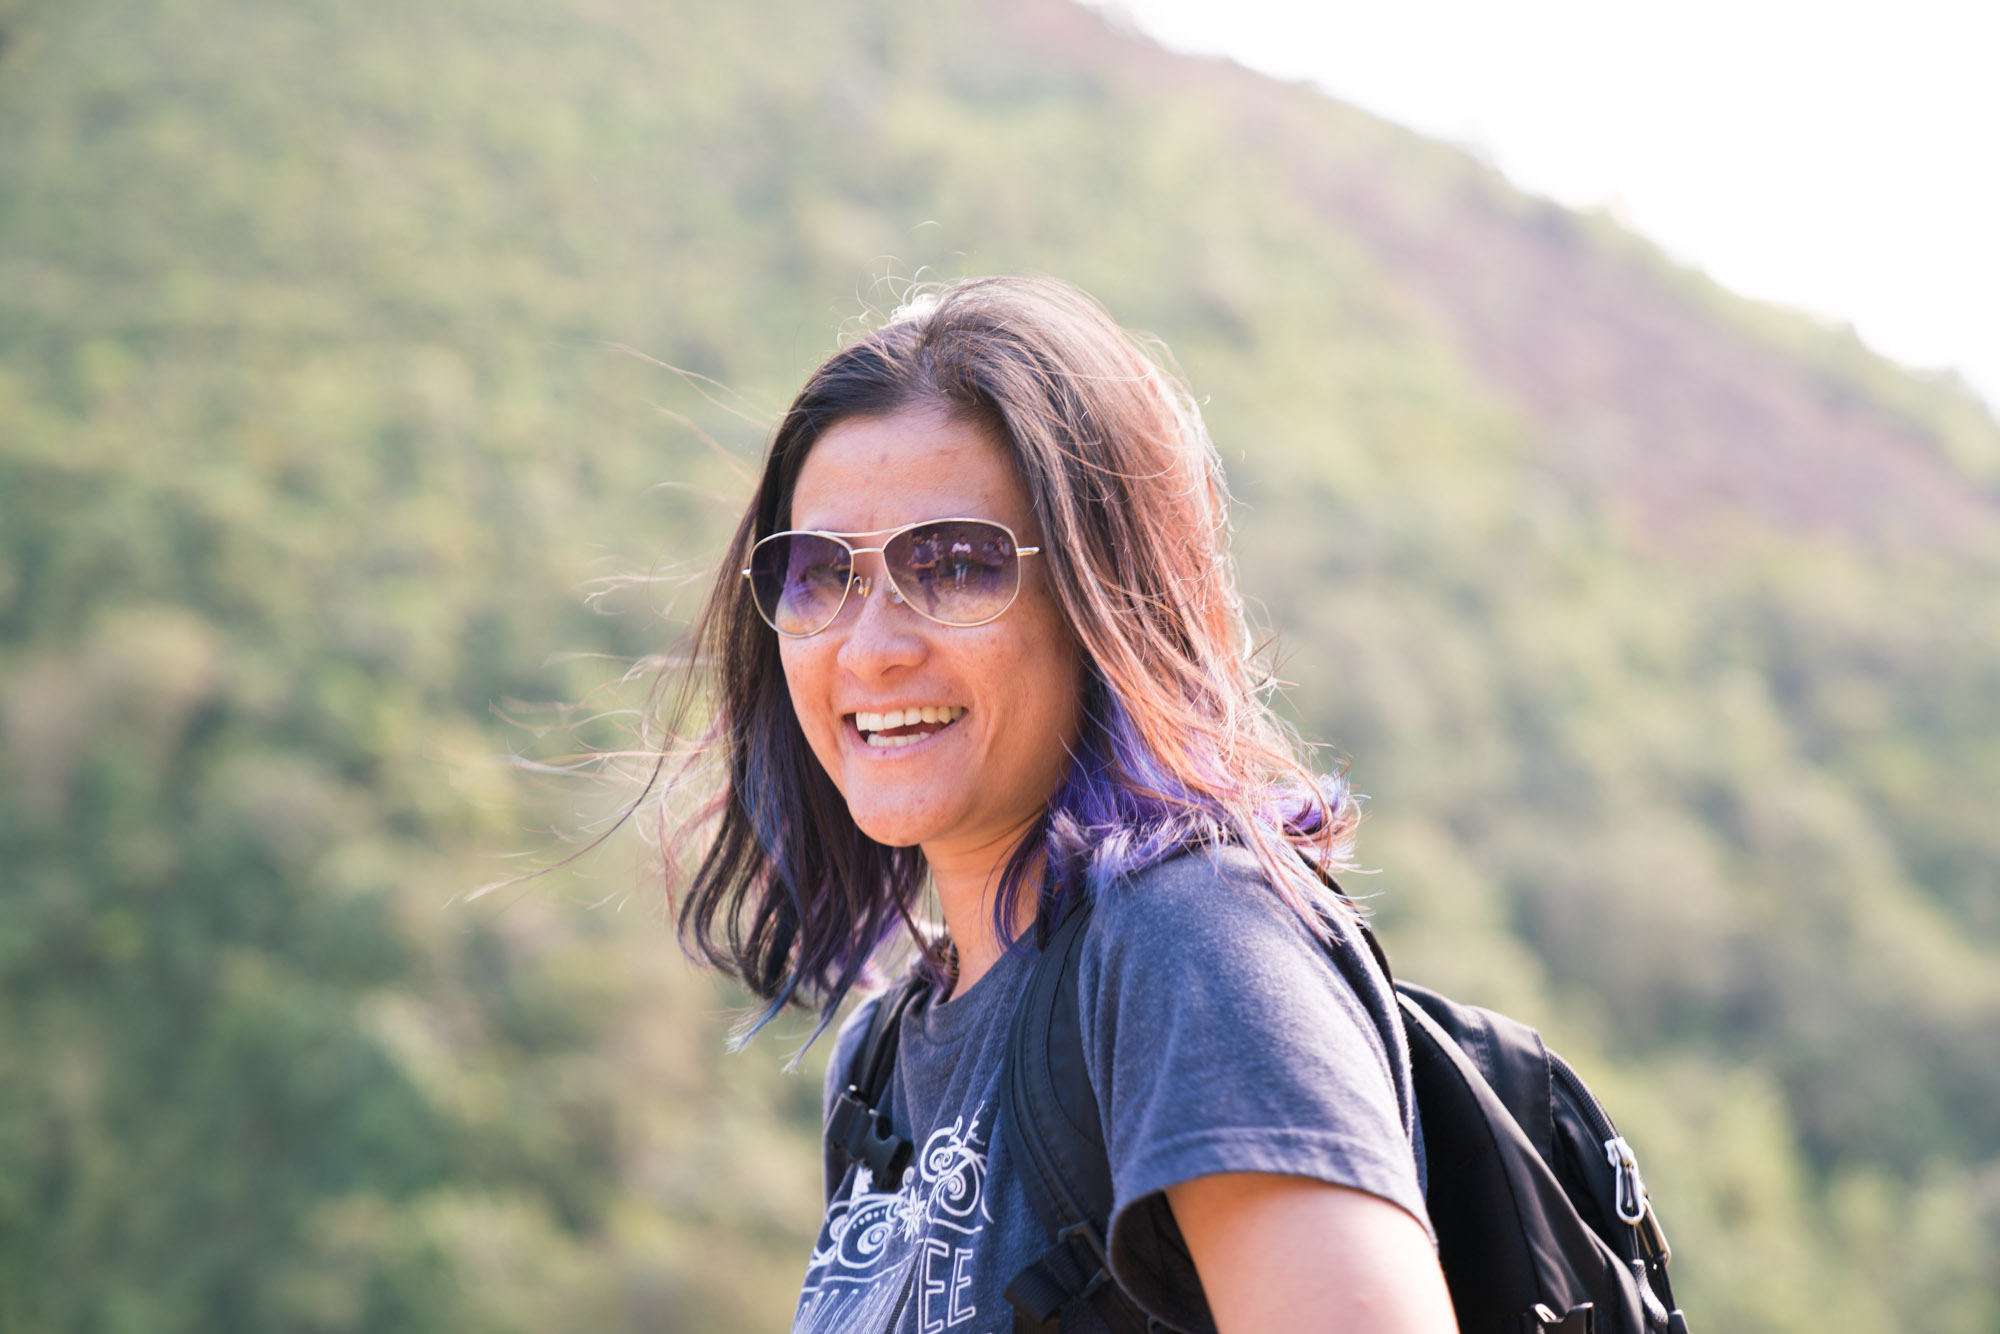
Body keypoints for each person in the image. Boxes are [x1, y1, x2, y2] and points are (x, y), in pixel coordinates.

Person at [666, 277, 1456, 1333]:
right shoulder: (879, 1064)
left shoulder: (1192, 949)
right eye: (818, 573)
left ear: (1101, 597)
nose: (870, 647)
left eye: (954, 565)